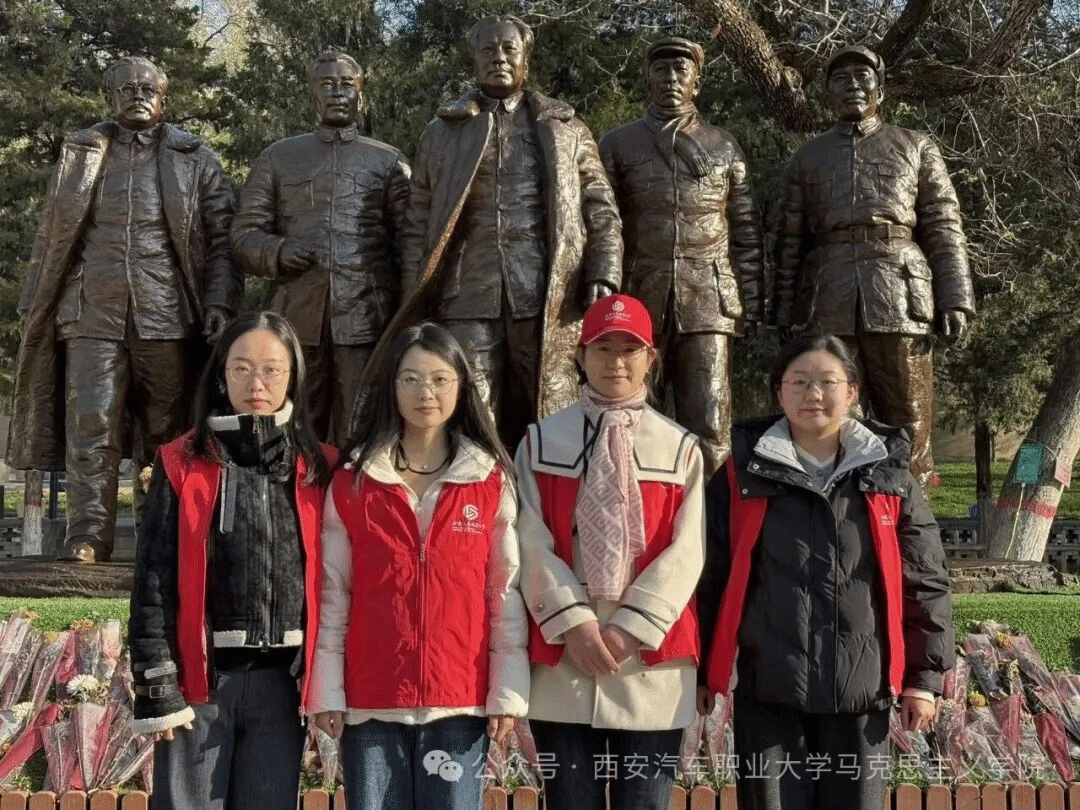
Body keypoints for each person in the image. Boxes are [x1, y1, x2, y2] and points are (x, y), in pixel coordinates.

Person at [698, 334, 954, 810]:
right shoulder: (741, 475)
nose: (812, 394)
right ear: (779, 393)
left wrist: (924, 679)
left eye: (827, 382)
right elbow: (709, 575)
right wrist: (701, 671)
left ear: (852, 392)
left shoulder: (889, 477)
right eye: (798, 382)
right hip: (769, 693)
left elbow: (924, 581)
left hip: (862, 696)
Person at [8, 55, 240, 563]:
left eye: (147, 88)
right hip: (91, 309)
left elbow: (223, 240)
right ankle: (88, 535)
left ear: (164, 97)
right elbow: (51, 233)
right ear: (109, 97)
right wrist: (33, 300)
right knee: (91, 424)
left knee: (166, 431)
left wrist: (220, 300)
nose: (138, 96)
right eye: (127, 88)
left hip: (167, 312)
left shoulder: (196, 157)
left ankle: (162, 534)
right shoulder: (81, 152)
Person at [309, 322, 528, 810]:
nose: (425, 392)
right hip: (371, 702)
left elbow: (504, 592)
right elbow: (333, 593)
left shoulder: (488, 480)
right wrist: (328, 690)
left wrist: (507, 691)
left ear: (461, 386)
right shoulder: (354, 482)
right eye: (410, 379)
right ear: (391, 387)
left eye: (439, 379)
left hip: (460, 703)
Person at [128, 311, 335, 810]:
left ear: (293, 376)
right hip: (200, 685)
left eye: (271, 369)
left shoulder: (320, 466)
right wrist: (158, 683)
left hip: (282, 687)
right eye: (241, 368)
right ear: (221, 375)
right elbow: (153, 579)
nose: (256, 383)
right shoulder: (181, 461)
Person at [394, 14, 622, 449]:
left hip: (545, 295)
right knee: (470, 412)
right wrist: (414, 300)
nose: (498, 58)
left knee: (547, 409)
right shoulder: (442, 133)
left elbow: (601, 208)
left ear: (525, 60)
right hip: (466, 293)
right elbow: (417, 223)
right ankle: (481, 490)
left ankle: (547, 491)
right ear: (475, 61)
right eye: (488, 50)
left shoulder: (566, 129)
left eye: (508, 49)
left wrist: (604, 271)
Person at [515, 294, 704, 810]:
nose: (616, 362)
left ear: (650, 358)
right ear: (580, 355)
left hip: (649, 662)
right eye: (603, 348)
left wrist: (628, 629)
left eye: (629, 349)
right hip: (564, 659)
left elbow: (688, 551)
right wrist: (574, 622)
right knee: (568, 800)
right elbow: (528, 540)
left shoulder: (680, 447)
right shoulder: (540, 442)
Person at [771, 45, 975, 492]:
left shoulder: (916, 146)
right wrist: (783, 310)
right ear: (828, 92)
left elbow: (943, 224)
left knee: (909, 417)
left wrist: (956, 296)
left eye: (862, 77)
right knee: (834, 416)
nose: (853, 86)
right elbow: (788, 241)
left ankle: (912, 520)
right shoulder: (807, 157)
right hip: (828, 298)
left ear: (880, 90)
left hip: (900, 295)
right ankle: (844, 516)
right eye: (840, 79)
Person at [599, 36, 764, 476]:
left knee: (709, 416)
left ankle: (711, 513)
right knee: (632, 410)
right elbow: (601, 224)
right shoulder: (618, 144)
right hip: (639, 295)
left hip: (708, 297)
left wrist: (750, 301)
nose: (671, 78)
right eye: (661, 69)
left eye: (681, 70)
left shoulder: (723, 146)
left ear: (697, 81)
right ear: (647, 78)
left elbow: (745, 231)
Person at [232, 51, 410, 444]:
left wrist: (407, 313)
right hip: (297, 315)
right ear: (312, 94)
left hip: (367, 317)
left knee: (360, 424)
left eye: (347, 84)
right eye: (327, 84)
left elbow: (409, 243)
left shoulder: (387, 160)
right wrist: (278, 251)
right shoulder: (279, 156)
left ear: (361, 95)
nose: (338, 92)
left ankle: (353, 484)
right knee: (296, 422)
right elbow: (244, 235)